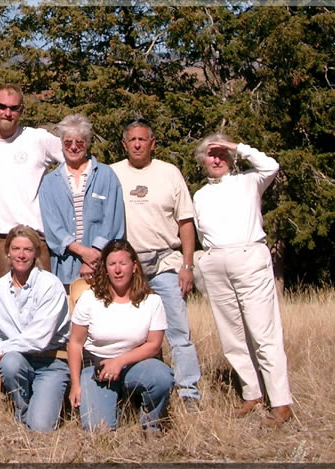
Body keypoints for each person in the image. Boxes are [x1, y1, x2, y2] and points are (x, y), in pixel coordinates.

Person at [192, 134, 293, 425]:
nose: (217, 159)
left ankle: (281, 402)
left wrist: (235, 145)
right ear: (203, 162)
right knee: (232, 335)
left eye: (221, 154)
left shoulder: (248, 181)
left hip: (249, 257)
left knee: (263, 332)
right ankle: (252, 393)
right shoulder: (200, 195)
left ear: (231, 158)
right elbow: (201, 233)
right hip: (215, 261)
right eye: (211, 155)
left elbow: (270, 166)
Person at [110, 119, 202, 410]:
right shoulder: (111, 174)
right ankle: (145, 390)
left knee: (178, 331)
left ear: (153, 143)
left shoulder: (169, 173)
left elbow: (185, 223)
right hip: (127, 267)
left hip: (165, 261)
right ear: (124, 145)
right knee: (134, 334)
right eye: (132, 140)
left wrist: (187, 266)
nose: (137, 144)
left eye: (142, 139)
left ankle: (189, 392)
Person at [67, 240, 175, 434]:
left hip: (136, 364)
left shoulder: (152, 301)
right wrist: (75, 385)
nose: (117, 270)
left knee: (162, 377)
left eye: (123, 264)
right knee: (98, 429)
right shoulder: (90, 299)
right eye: (112, 264)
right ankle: (114, 402)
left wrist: (120, 361)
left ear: (134, 266)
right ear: (105, 269)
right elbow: (75, 343)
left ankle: (151, 422)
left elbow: (154, 344)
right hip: (97, 368)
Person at [0, 84, 64, 280]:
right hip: (3, 241)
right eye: (2, 106)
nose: (7, 113)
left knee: (44, 304)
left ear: (22, 110)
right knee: (5, 307)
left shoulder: (38, 139)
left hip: (37, 240)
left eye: (14, 108)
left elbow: (75, 161)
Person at [0, 225, 71, 432]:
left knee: (40, 428)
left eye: (27, 250)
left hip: (50, 360)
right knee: (11, 362)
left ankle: (38, 407)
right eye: (15, 249)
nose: (21, 255)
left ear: (35, 254)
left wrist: (0, 350)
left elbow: (38, 338)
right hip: (18, 361)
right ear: (7, 252)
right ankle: (21, 409)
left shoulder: (50, 285)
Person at [39, 113, 125, 290]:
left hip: (102, 266)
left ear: (88, 143)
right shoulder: (49, 182)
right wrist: (82, 251)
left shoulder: (106, 175)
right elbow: (52, 227)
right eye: (68, 142)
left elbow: (113, 220)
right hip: (64, 268)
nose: (73, 147)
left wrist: (94, 255)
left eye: (79, 142)